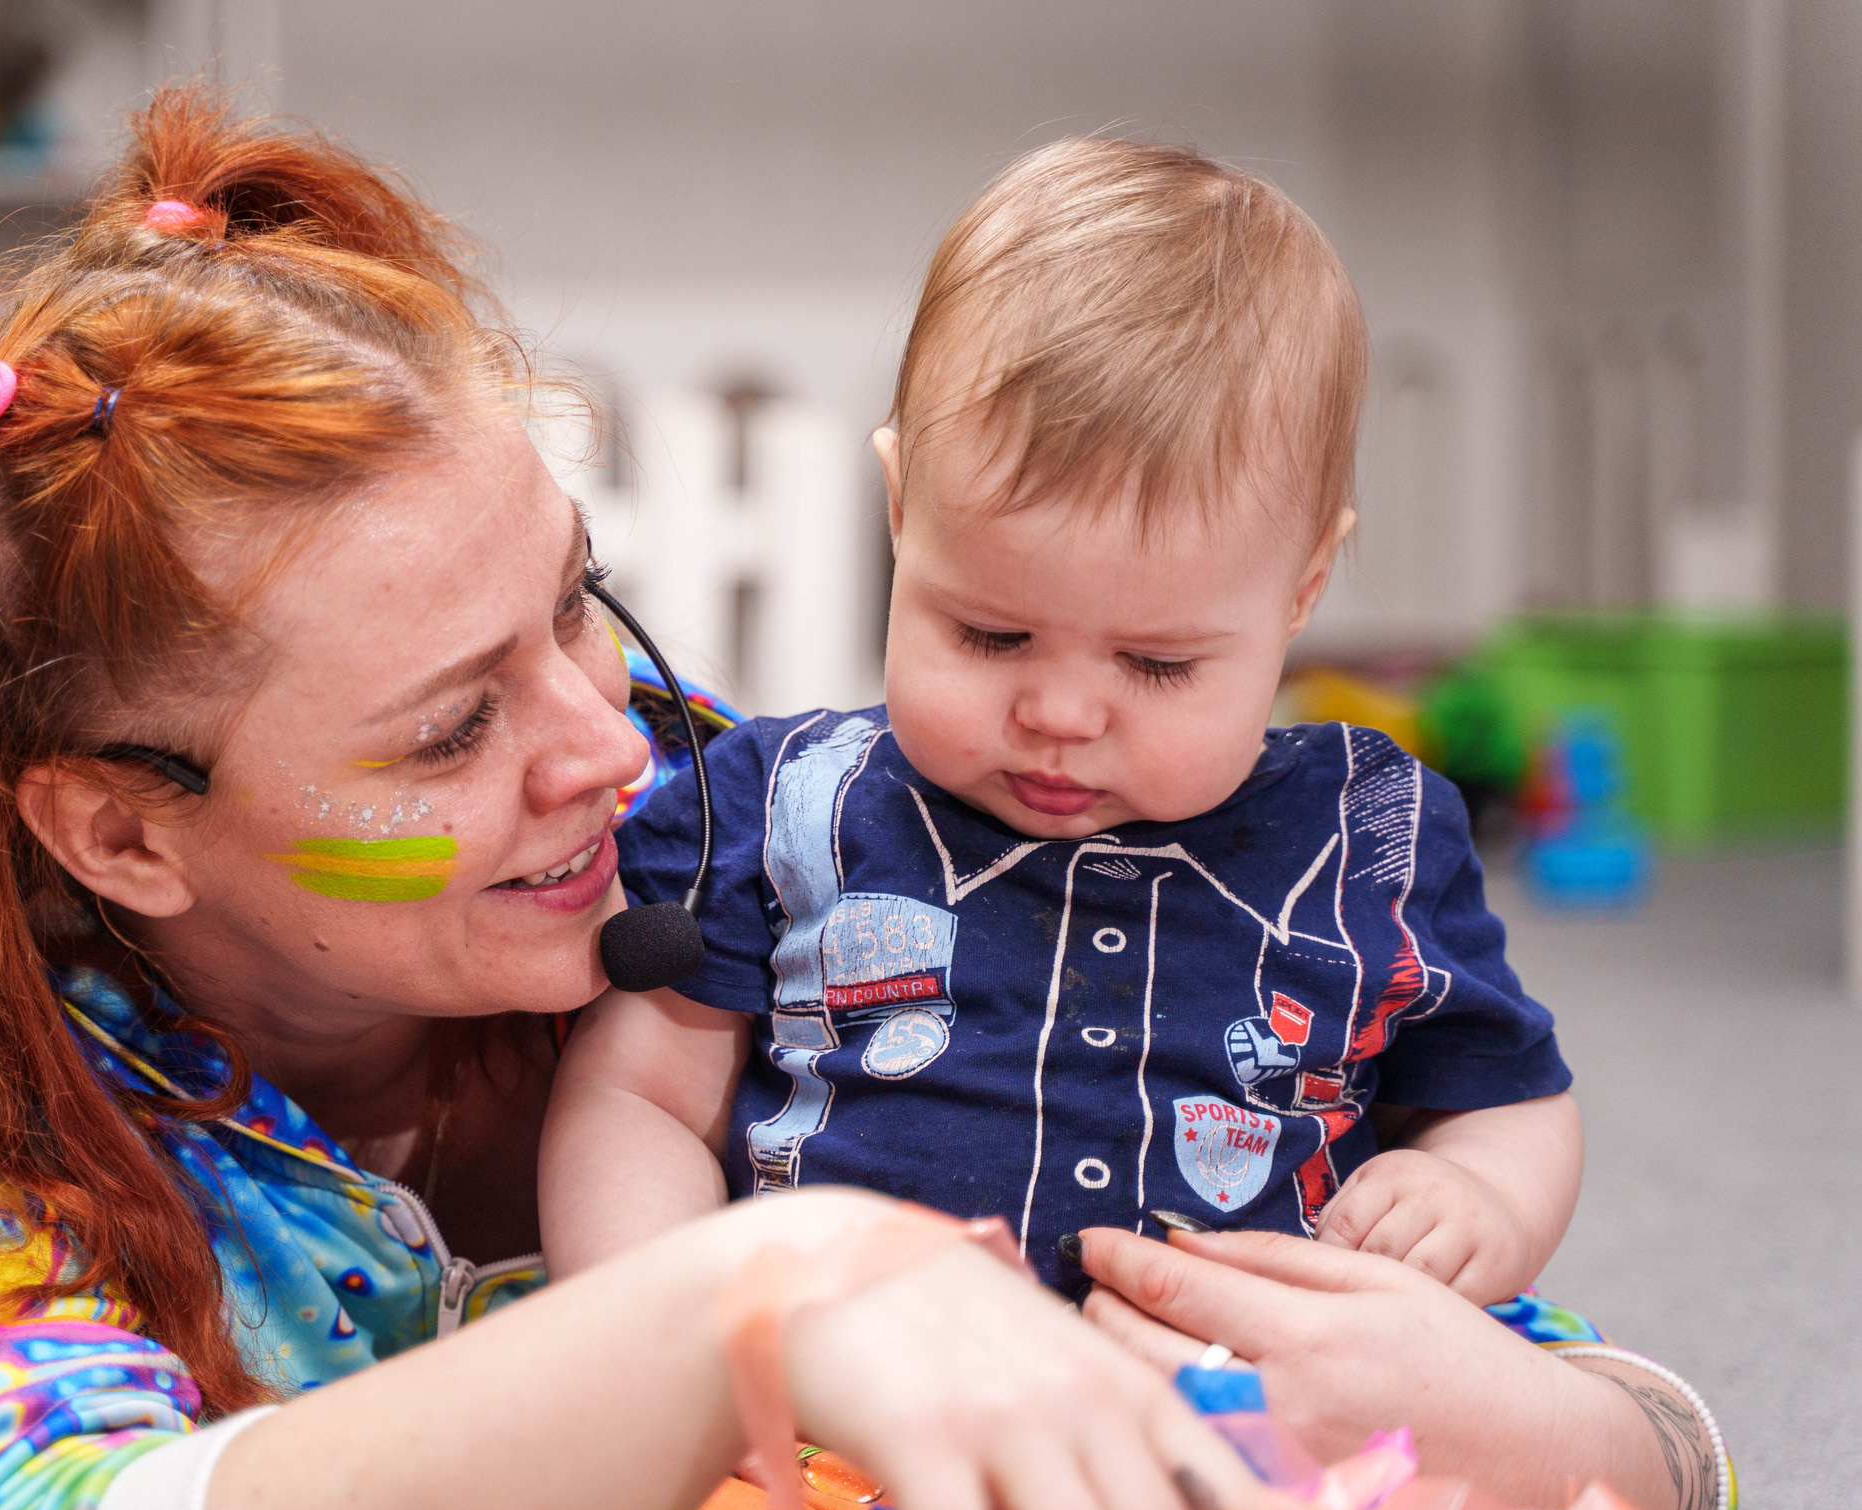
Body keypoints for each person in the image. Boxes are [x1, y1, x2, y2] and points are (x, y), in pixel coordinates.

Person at [0, 89, 1725, 1510]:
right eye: (447, 725)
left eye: (574, 603)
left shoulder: (704, 821)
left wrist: (1586, 1433)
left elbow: (1257, 1184)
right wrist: (764, 1283)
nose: (607, 748)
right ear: (122, 834)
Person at [540, 139, 1582, 1311]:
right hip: (850, 1402)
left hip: (1239, 1399)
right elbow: (640, 1099)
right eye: (990, 636)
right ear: (898, 511)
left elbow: (1503, 1098)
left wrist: (1478, 1194)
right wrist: (659, 1330)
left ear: (1301, 589)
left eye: (1157, 662)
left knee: (1537, 1441)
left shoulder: (1368, 838)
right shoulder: (783, 803)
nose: (1057, 715)